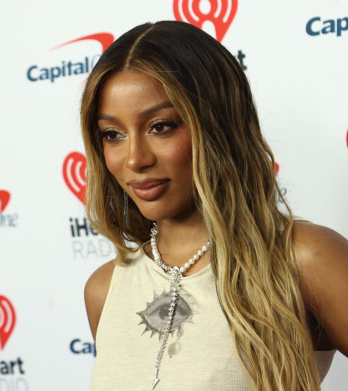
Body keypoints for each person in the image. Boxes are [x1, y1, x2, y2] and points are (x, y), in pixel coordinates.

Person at [80, 21, 348, 391]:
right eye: (113, 134)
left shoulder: (303, 258)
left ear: (217, 123)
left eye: (160, 126)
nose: (134, 159)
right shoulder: (104, 289)